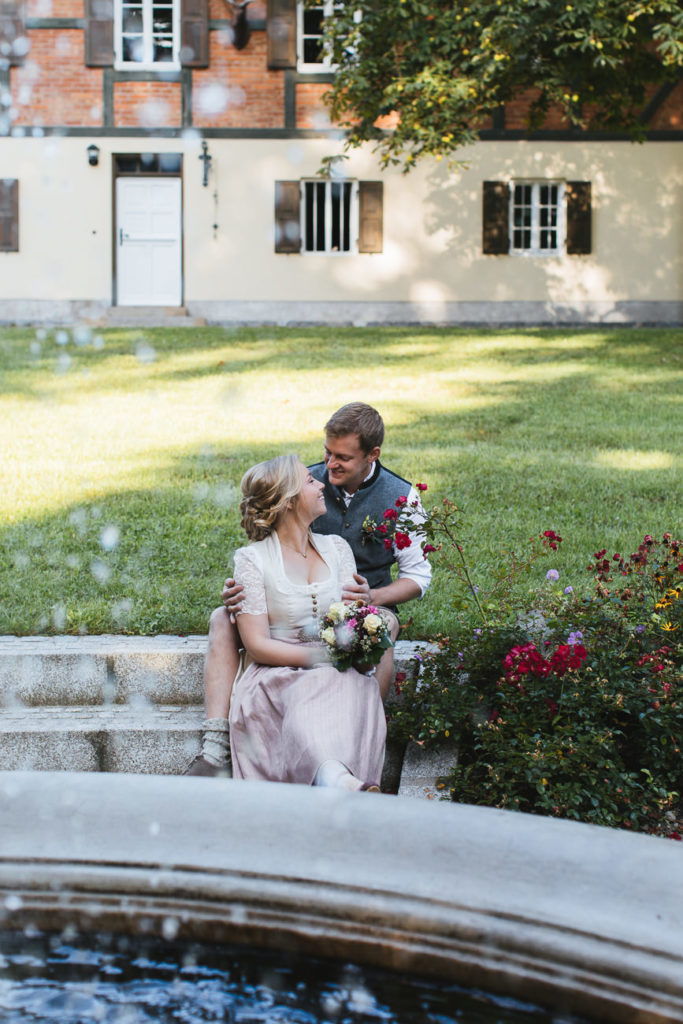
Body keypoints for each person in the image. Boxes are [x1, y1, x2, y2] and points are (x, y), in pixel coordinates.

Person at [184, 402, 430, 778]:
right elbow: (264, 550)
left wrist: (372, 599)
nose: (329, 466)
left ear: (372, 455)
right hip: (290, 611)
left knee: (382, 628)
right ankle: (215, 744)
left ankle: (363, 730)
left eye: (343, 458)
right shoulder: (299, 484)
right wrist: (243, 592)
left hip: (360, 603)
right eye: (326, 454)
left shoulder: (401, 498)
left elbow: (418, 577)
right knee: (223, 617)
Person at [227, 454, 386, 790]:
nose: (321, 484)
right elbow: (256, 645)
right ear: (288, 501)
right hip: (279, 673)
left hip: (339, 667)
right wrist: (318, 659)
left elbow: (352, 615)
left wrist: (361, 626)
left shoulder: (337, 549)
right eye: (310, 482)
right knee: (304, 696)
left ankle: (338, 779)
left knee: (350, 685)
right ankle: (336, 782)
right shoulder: (252, 560)